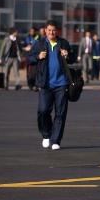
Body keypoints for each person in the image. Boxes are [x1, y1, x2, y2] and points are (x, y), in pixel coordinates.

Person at [29, 20, 72, 150]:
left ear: (57, 31)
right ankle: (46, 135)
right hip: (45, 84)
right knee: (43, 111)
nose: (51, 32)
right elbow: (29, 58)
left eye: (54, 30)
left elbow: (73, 58)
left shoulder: (63, 43)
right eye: (49, 30)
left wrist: (68, 55)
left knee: (60, 113)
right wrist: (38, 56)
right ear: (45, 31)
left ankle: (56, 140)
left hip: (62, 84)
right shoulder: (39, 43)